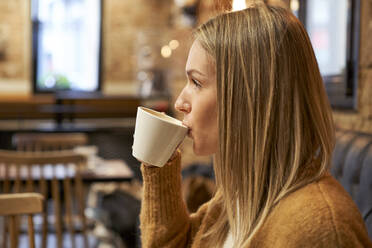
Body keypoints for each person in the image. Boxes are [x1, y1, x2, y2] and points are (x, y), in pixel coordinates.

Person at [138, 3, 372, 247]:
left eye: (196, 82)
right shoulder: (239, 198)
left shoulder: (321, 229)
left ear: (249, 97)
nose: (180, 102)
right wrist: (158, 163)